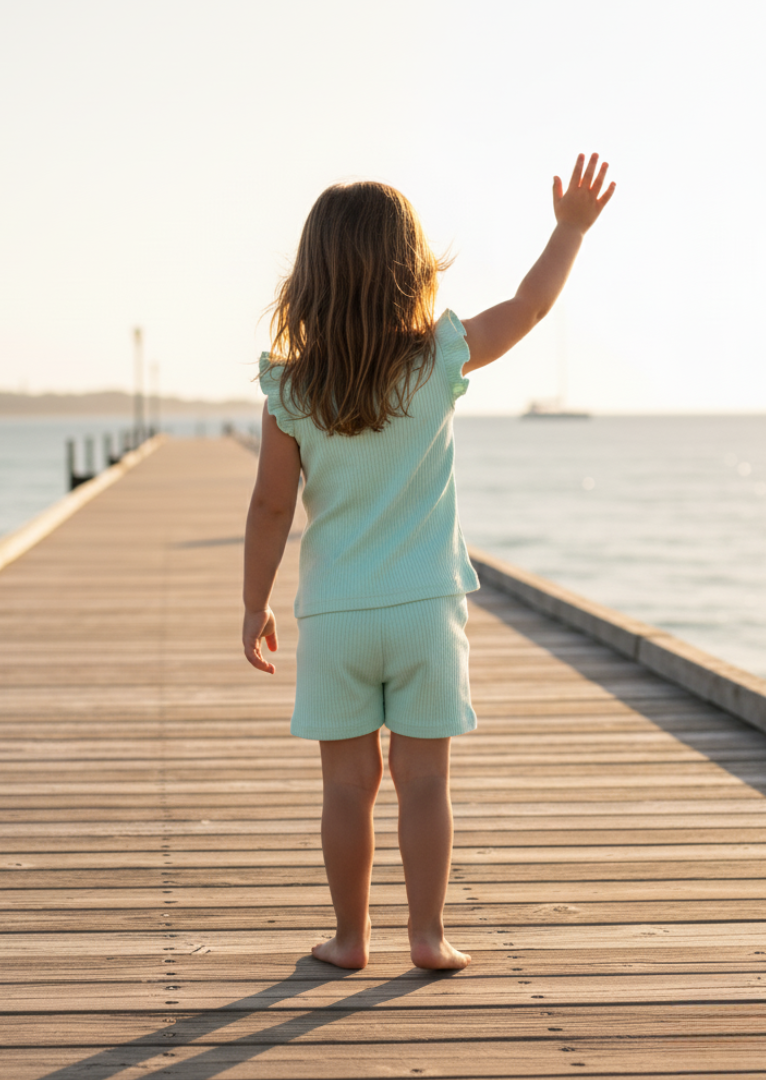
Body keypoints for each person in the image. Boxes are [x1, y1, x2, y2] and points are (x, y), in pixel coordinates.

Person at [242, 153, 615, 970]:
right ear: (410, 269)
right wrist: (568, 232)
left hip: (337, 616)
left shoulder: (292, 391)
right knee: (423, 782)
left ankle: (348, 939)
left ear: (310, 280)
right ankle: (427, 934)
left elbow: (271, 506)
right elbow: (529, 307)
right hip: (426, 611)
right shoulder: (438, 358)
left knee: (347, 788)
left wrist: (252, 602)